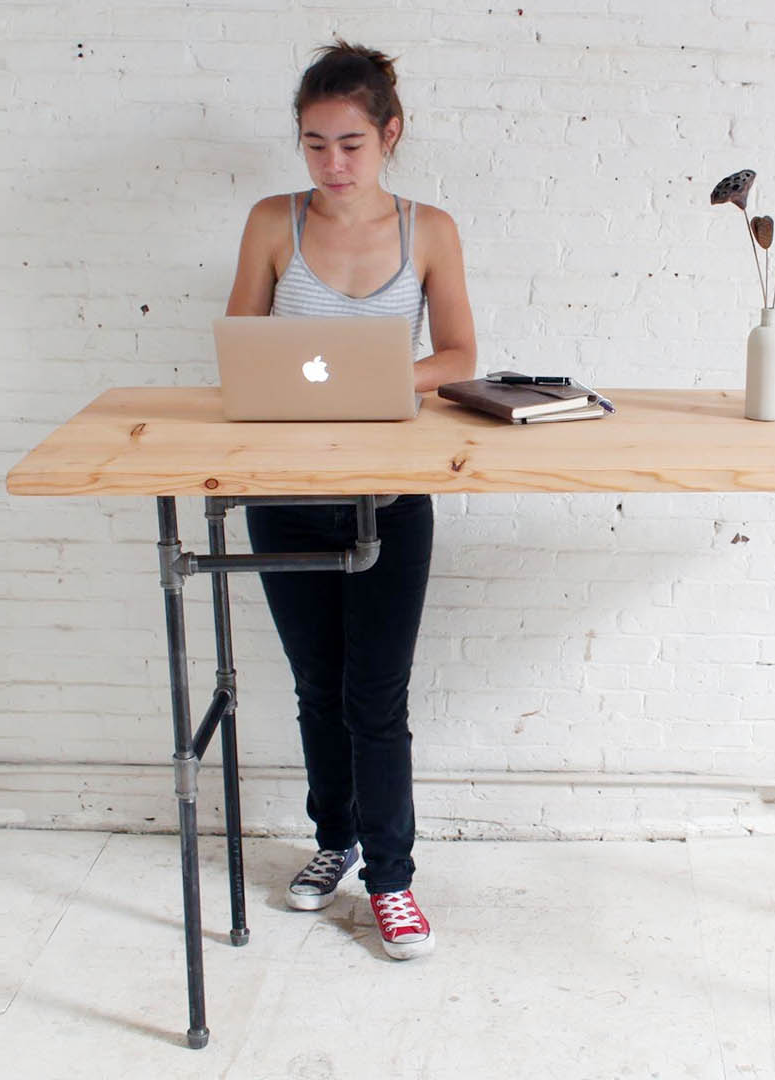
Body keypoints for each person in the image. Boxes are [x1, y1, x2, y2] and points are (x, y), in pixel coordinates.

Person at [224, 39, 475, 960]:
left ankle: (393, 882)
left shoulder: (429, 230)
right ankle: (335, 841)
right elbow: (241, 347)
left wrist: (381, 379)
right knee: (316, 690)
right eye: (314, 143)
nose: (332, 164)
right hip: (285, 491)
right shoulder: (270, 222)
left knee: (377, 696)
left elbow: (457, 358)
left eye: (351, 144)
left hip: (391, 494)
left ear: (390, 135)